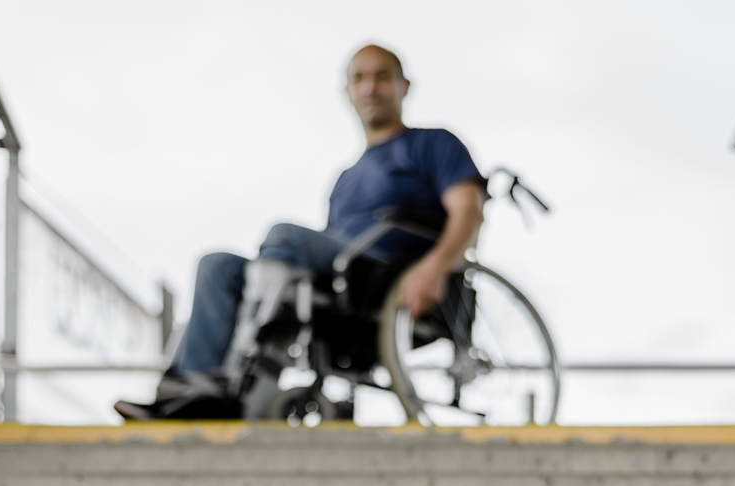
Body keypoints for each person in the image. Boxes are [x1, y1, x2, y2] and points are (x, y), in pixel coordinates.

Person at [116, 44, 486, 419]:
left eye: (382, 76)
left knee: (285, 236)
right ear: (348, 92)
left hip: (387, 272)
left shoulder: (433, 144)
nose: (371, 87)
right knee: (217, 265)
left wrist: (436, 268)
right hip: (342, 275)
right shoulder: (345, 179)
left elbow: (469, 211)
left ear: (403, 86)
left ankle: (236, 377)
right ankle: (188, 386)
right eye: (359, 79)